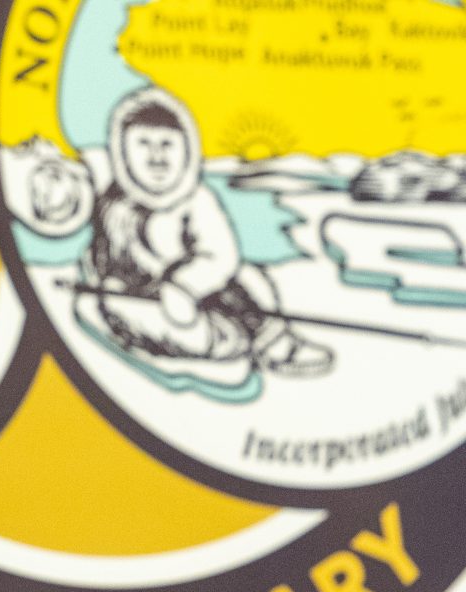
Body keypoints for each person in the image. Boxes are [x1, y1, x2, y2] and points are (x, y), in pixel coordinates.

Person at [79, 87, 333, 379]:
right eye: (143, 144)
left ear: (187, 149)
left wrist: (184, 286)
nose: (156, 156)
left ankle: (273, 340)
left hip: (205, 291)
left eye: (167, 144)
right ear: (122, 151)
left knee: (250, 280)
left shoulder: (197, 200)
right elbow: (102, 249)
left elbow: (219, 254)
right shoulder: (115, 204)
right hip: (148, 299)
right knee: (119, 305)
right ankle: (213, 342)